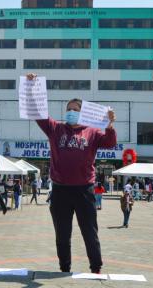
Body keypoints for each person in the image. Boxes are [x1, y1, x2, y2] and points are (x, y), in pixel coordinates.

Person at [28, 73, 117, 275]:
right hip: (60, 190)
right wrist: (32, 87)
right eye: (68, 109)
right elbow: (37, 111)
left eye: (75, 110)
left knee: (89, 231)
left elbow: (110, 143)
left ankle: (96, 268)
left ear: (83, 113)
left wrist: (110, 124)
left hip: (85, 189)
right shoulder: (55, 128)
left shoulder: (93, 132)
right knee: (62, 233)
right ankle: (64, 268)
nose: (70, 112)